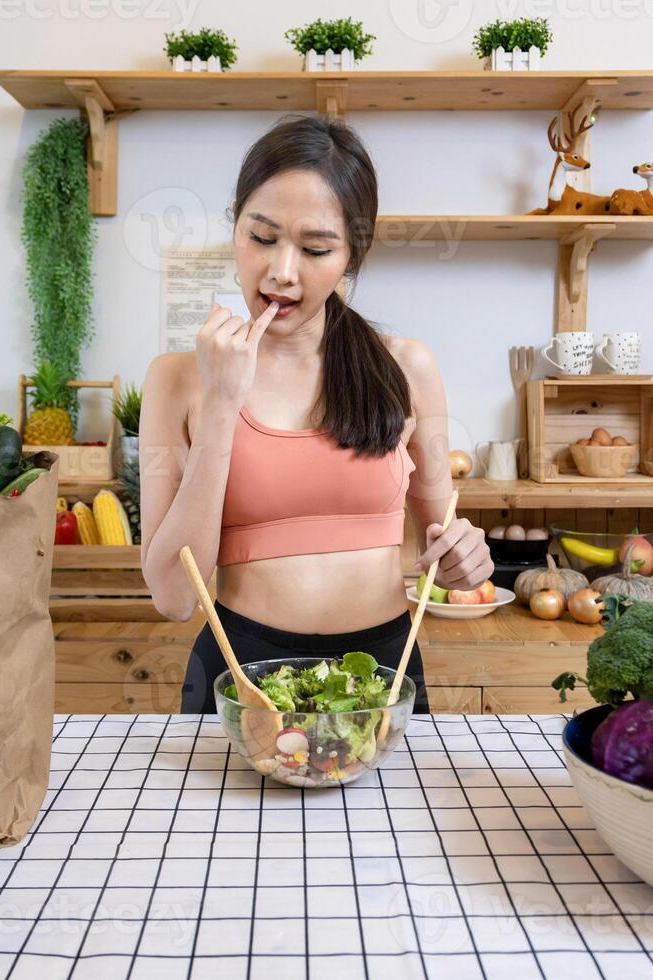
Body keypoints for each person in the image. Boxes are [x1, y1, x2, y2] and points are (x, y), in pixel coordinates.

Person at [139, 115, 493, 714]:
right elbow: (174, 594)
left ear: (352, 255)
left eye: (315, 249)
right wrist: (223, 403)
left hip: (384, 669)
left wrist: (466, 556)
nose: (282, 270)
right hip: (237, 668)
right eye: (261, 236)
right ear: (235, 228)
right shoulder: (176, 380)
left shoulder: (406, 368)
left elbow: (446, 556)